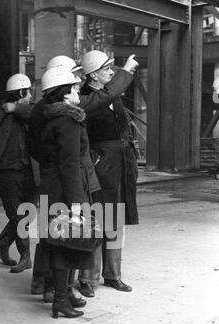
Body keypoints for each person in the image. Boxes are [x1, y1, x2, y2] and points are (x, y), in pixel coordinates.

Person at [6, 54, 138, 301]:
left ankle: (49, 287)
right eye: (74, 77)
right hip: (74, 178)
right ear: (62, 87)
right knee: (69, 234)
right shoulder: (69, 112)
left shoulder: (45, 109)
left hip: (66, 176)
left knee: (58, 234)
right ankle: (61, 290)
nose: (78, 80)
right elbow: (69, 160)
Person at [38, 67, 101, 318]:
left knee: (59, 243)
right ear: (64, 94)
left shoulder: (51, 119)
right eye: (74, 88)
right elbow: (70, 165)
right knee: (66, 245)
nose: (78, 91)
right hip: (65, 192)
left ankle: (62, 297)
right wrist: (77, 202)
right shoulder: (69, 122)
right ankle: (61, 301)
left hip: (51, 188)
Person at [78, 50, 139, 298]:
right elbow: (110, 93)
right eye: (106, 69)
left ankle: (113, 275)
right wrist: (127, 69)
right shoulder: (86, 98)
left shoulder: (112, 97)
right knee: (97, 222)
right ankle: (87, 279)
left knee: (116, 222)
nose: (111, 73)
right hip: (101, 166)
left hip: (120, 165)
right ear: (93, 75)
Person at [0, 74, 38, 273]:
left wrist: (16, 108)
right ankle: (25, 257)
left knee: (27, 214)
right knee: (18, 216)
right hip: (7, 173)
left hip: (30, 171)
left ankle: (2, 245)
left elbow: (37, 113)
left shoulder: (30, 111)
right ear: (21, 92)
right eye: (27, 92)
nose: (30, 95)